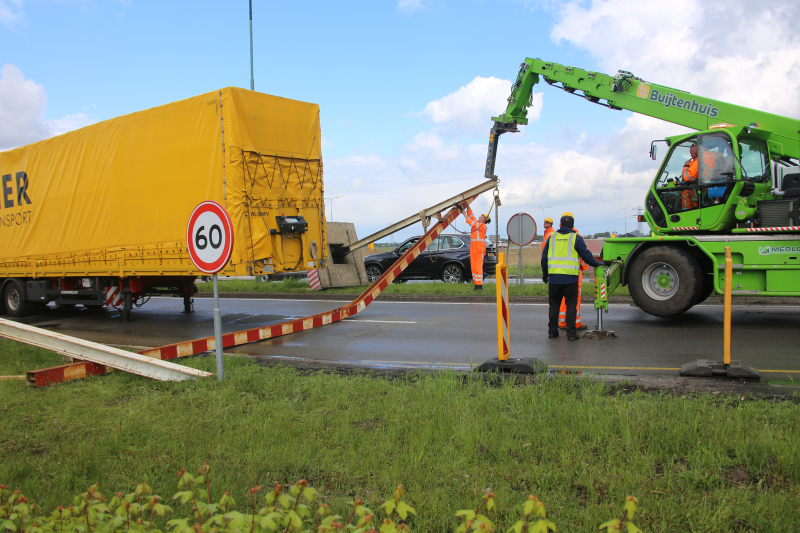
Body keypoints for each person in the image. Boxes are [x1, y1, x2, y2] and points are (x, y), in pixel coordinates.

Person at [542, 213, 602, 340]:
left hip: (554, 279)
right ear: (573, 226)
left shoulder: (552, 237)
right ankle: (571, 334)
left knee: (554, 306)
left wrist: (545, 274)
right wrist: (597, 264)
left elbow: (544, 258)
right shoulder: (576, 238)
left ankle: (552, 332)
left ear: (560, 225)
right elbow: (586, 256)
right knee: (571, 306)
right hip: (571, 279)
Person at [558, 222, 589, 331]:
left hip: (560, 272)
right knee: (574, 299)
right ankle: (575, 323)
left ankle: (562, 322)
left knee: (563, 298)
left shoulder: (556, 237)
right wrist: (584, 267)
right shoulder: (577, 236)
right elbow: (583, 256)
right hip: (575, 273)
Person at [459, 202, 491, 291]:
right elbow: (471, 215)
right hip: (474, 249)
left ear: (484, 220)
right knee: (474, 267)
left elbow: (470, 222)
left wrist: (463, 213)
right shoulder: (477, 223)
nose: (479, 216)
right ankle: (476, 284)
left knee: (478, 267)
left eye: (481, 216)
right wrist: (467, 205)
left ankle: (479, 285)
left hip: (479, 250)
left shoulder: (482, 226)